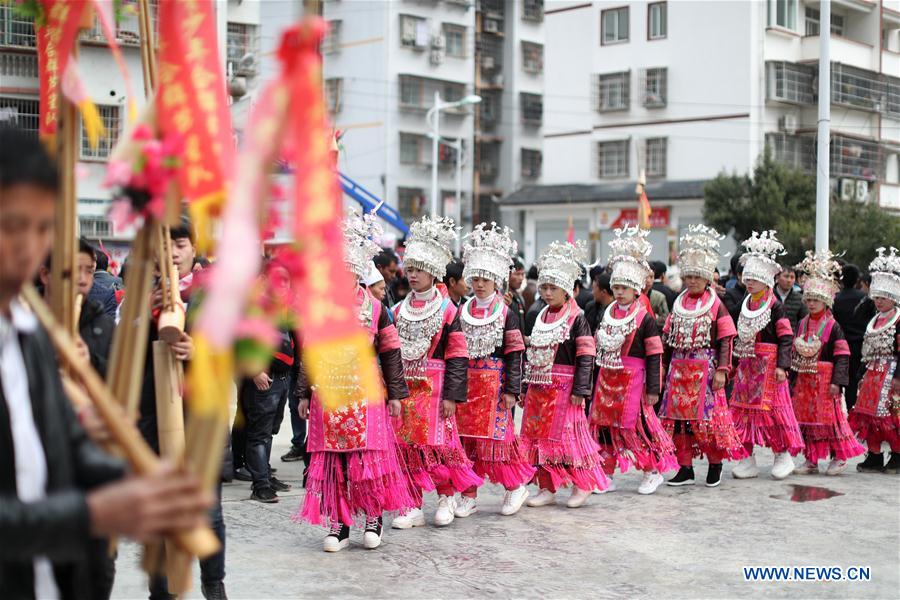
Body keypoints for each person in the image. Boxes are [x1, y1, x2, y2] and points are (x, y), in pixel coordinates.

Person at [0, 127, 210, 600]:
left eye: (41, 228)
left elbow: (63, 449)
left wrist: (136, 481)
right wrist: (93, 514)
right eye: (13, 225)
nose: (28, 247)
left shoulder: (27, 328)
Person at [294, 209, 418, 552]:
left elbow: (391, 352)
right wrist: (303, 393)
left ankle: (373, 518)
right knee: (335, 463)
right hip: (328, 395)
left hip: (367, 394)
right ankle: (339, 524)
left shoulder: (377, 309)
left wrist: (396, 394)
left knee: (368, 460)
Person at [137, 220, 228, 600]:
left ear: (193, 248)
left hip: (201, 412)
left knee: (208, 509)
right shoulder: (142, 294)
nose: (173, 253)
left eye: (180, 244)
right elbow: (123, 359)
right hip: (155, 415)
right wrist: (143, 316)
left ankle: (213, 583)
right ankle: (160, 588)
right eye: (167, 246)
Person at [390, 216, 482, 529]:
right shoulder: (398, 309)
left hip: (436, 390)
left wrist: (453, 396)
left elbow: (458, 355)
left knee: (440, 447)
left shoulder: (447, 310)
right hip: (405, 389)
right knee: (407, 448)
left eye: (418, 270)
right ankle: (411, 503)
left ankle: (446, 497)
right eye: (409, 269)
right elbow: (389, 353)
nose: (412, 275)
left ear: (432, 273)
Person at [519, 241, 608, 509]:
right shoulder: (540, 315)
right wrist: (525, 387)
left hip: (566, 389)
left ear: (567, 290)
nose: (546, 293)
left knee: (571, 440)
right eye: (544, 287)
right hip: (539, 387)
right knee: (537, 439)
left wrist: (581, 390)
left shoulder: (577, 318)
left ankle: (583, 483)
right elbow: (533, 353)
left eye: (552, 288)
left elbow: (586, 356)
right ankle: (547, 486)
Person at [453, 224, 534, 518]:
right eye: (475, 278)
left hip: (495, 388)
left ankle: (515, 486)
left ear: (496, 280)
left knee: (498, 442)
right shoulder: (462, 311)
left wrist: (513, 389)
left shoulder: (506, 313)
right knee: (465, 442)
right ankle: (468, 493)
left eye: (486, 278)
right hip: (466, 387)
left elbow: (515, 353)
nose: (480, 284)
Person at [590, 228, 676, 495]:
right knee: (604, 427)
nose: (619, 292)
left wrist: (653, 388)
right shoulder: (608, 312)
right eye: (615, 287)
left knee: (636, 428)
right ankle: (606, 472)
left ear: (636, 289)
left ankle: (651, 470)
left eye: (624, 288)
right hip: (608, 378)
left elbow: (654, 355)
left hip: (634, 380)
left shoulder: (644, 317)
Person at [660, 225, 746, 488]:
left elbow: (726, 338)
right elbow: (666, 339)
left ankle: (714, 464)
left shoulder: (716, 305)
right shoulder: (678, 302)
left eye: (698, 276)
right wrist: (664, 368)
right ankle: (685, 467)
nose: (692, 281)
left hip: (706, 370)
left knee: (708, 421)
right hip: (679, 369)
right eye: (689, 276)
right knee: (680, 423)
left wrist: (722, 369)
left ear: (707, 277)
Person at [729, 231, 804, 480]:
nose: (749, 283)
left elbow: (785, 337)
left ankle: (782, 455)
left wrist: (783, 365)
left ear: (766, 281)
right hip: (748, 365)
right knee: (743, 413)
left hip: (771, 368)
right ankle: (747, 458)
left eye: (754, 279)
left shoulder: (775, 306)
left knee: (775, 413)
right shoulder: (745, 303)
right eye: (747, 278)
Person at [790, 250, 865, 476]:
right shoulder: (802, 323)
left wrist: (837, 382)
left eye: (816, 300)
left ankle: (838, 457)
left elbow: (842, 355)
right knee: (806, 421)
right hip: (804, 380)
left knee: (831, 421)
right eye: (808, 300)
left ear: (825, 301)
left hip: (825, 382)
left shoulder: (833, 326)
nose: (811, 304)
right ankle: (811, 459)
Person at [849, 247, 900, 474]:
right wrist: (862, 373)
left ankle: (897, 456)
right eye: (876, 297)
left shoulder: (898, 320)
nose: (878, 302)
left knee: (890, 416)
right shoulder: (875, 318)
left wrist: (898, 377)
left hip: (892, 374)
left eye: (883, 298)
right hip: (872, 373)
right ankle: (874, 455)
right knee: (868, 416)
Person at [38, 239, 115, 378]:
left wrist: (91, 363)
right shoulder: (21, 320)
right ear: (45, 275)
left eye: (90, 271)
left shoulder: (105, 326)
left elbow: (119, 383)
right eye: (73, 270)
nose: (83, 280)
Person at [832, 263, 869, 410]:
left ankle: (836, 411)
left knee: (837, 379)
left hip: (839, 345)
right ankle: (851, 409)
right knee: (853, 380)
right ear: (857, 280)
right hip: (858, 345)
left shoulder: (835, 298)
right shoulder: (864, 298)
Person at [774, 267, 807, 333]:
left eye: (792, 277)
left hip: (791, 338)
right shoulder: (769, 295)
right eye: (786, 276)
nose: (789, 280)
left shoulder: (800, 298)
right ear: (777, 277)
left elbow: (804, 322)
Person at [503, 257, 527, 338]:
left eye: (522, 274)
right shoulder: (501, 296)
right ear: (507, 274)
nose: (521, 278)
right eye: (517, 274)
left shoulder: (519, 297)